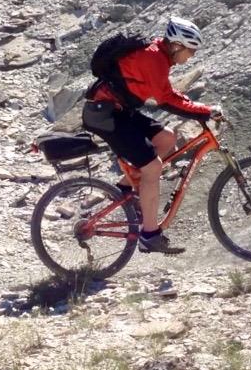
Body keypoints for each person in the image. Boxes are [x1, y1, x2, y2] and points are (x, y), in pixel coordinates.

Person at [80, 17, 219, 254]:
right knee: (153, 167)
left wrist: (199, 107)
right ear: (177, 45)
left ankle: (126, 191)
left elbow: (166, 92)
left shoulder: (159, 57)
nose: (192, 56)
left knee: (165, 138)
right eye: (191, 50)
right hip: (105, 115)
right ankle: (149, 235)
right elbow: (167, 101)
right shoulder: (154, 58)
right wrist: (205, 111)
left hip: (118, 111)